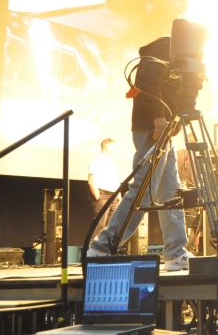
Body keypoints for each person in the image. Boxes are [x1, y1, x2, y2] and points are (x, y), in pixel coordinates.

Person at [87, 36, 192, 271]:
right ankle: (102, 248)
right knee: (142, 191)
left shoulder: (178, 54)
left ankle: (176, 253)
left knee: (170, 191)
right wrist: (159, 121)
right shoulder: (167, 47)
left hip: (163, 132)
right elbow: (147, 81)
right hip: (153, 130)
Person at [87, 139, 120, 239]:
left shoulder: (112, 163)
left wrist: (119, 197)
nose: (115, 149)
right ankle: (92, 253)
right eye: (113, 147)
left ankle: (105, 251)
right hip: (103, 195)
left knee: (111, 226)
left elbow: (116, 181)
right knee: (100, 225)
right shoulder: (97, 161)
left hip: (113, 196)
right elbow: (91, 181)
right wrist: (99, 197)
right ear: (107, 146)